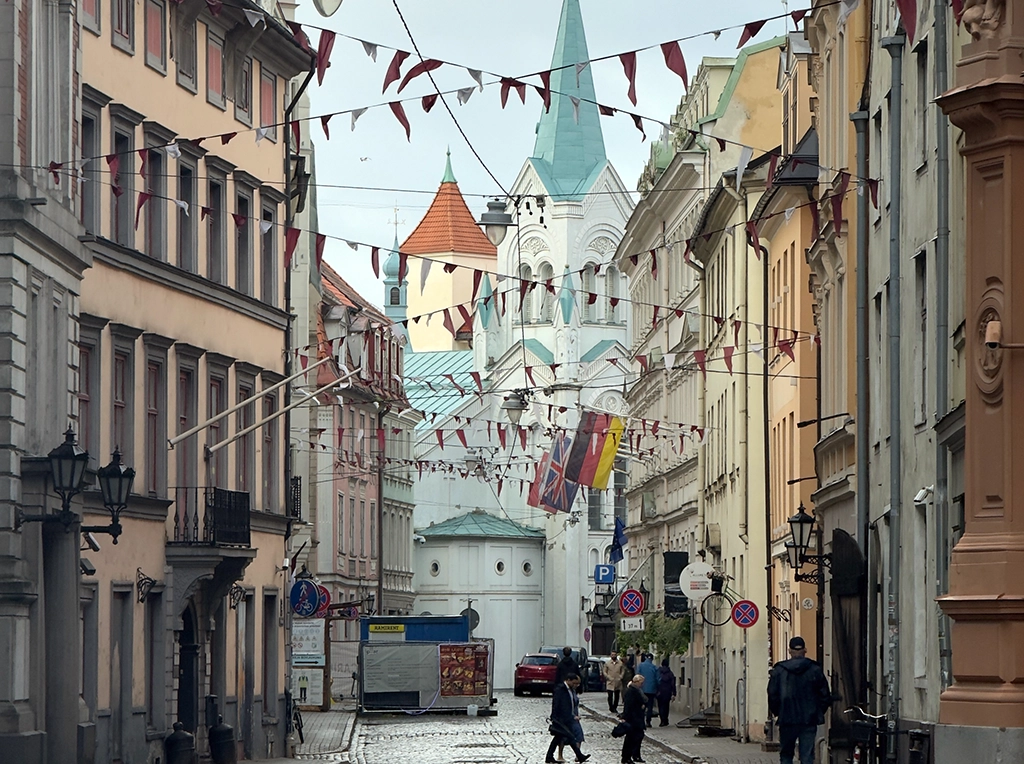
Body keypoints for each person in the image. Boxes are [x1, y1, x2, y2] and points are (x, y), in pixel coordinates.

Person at [767, 636, 831, 764]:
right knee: (807, 756)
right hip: (808, 720)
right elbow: (825, 695)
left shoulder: (779, 670)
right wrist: (816, 712)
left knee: (786, 755)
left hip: (787, 719)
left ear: (789, 651)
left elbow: (772, 695)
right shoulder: (815, 669)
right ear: (805, 650)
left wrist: (778, 712)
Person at [546, 674, 590, 764]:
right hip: (561, 719)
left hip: (567, 718)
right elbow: (558, 705)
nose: (576, 685)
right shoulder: (561, 690)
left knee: (560, 738)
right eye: (574, 683)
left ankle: (549, 756)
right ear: (569, 680)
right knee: (569, 737)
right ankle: (579, 756)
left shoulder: (570, 690)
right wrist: (556, 717)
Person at [620, 674, 647, 764]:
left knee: (637, 737)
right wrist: (625, 717)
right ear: (636, 682)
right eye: (641, 683)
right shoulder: (631, 691)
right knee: (631, 738)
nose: (642, 685)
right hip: (633, 719)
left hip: (637, 718)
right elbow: (628, 706)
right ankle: (627, 757)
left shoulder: (637, 690)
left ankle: (634, 755)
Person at [636, 653, 658, 728]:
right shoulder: (654, 667)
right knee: (650, 706)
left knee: (642, 706)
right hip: (651, 690)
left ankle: (641, 721)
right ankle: (648, 722)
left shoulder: (641, 666)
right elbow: (658, 679)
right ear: (652, 659)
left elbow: (637, 676)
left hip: (642, 689)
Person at [655, 658, 676, 726]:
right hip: (667, 692)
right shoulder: (670, 673)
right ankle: (665, 719)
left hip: (659, 691)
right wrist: (674, 693)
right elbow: (673, 684)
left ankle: (662, 720)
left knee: (660, 706)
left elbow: (655, 681)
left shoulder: (658, 672)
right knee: (666, 706)